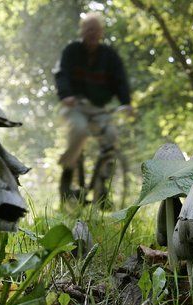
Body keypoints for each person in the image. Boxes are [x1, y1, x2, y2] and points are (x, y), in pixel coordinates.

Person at [54, 12, 133, 205]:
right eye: (88, 29)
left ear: (101, 33)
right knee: (79, 131)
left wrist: (126, 103)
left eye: (95, 30)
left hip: (99, 110)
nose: (91, 33)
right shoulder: (71, 51)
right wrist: (66, 95)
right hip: (76, 106)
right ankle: (67, 175)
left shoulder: (110, 57)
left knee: (111, 137)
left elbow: (120, 81)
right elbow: (61, 73)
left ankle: (101, 188)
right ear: (82, 31)